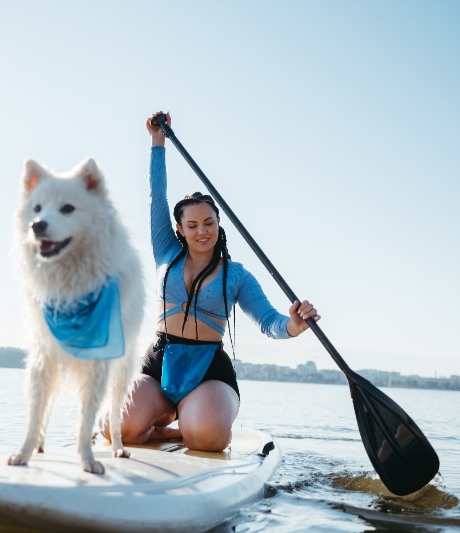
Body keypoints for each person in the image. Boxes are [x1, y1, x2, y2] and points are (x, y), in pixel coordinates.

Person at [116, 111, 320, 452]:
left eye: (209, 223)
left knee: (207, 439)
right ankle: (172, 422)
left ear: (219, 223)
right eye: (193, 225)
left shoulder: (235, 274)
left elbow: (270, 322)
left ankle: (192, 420)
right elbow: (157, 197)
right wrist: (157, 141)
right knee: (120, 428)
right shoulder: (165, 252)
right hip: (160, 359)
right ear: (179, 229)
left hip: (208, 366)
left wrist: (295, 326)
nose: (202, 231)